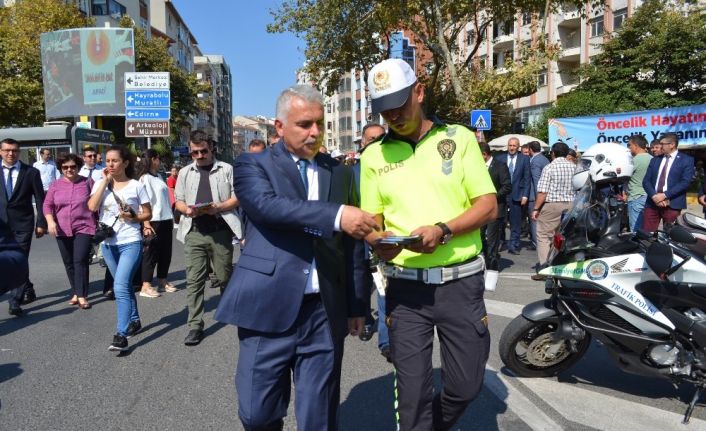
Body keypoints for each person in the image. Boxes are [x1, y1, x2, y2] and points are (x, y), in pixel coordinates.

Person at [215, 85, 375, 430]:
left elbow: (352, 247)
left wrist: (358, 305)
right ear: (279, 126)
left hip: (323, 311)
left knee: (319, 417)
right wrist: (336, 216)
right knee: (257, 415)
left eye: (319, 123)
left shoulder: (339, 172)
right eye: (304, 124)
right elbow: (268, 208)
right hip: (267, 305)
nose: (315, 132)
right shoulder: (251, 165)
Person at [360, 58, 496, 430]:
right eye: (384, 111)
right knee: (413, 393)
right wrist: (378, 241)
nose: (393, 116)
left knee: (466, 386)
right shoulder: (373, 156)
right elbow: (373, 222)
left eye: (399, 106)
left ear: (419, 92)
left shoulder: (459, 138)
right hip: (405, 290)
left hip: (461, 287)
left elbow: (488, 206)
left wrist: (443, 229)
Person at [174, 130, 242, 346]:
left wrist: (218, 207)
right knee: (194, 281)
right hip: (193, 232)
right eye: (195, 152)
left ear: (211, 148)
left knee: (224, 277)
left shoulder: (227, 169)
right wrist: (187, 211)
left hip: (220, 231)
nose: (200, 155)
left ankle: (230, 310)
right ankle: (195, 325)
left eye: (203, 151)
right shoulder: (185, 172)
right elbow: (179, 201)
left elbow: (238, 197)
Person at [88, 145, 151, 352]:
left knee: (120, 286)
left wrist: (133, 216)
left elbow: (147, 214)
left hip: (130, 241)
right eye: (107, 161)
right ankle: (134, 319)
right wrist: (105, 182)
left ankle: (121, 334)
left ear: (125, 163)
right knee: (122, 286)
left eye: (114, 161)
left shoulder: (136, 185)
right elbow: (92, 207)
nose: (110, 165)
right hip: (108, 244)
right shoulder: (101, 183)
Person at [43, 153, 96, 309]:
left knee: (80, 260)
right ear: (61, 168)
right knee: (69, 263)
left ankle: (81, 295)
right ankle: (76, 291)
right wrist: (50, 221)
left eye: (73, 166)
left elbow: (96, 201)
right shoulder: (55, 185)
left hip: (84, 226)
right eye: (65, 167)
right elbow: (47, 205)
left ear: (78, 167)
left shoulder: (87, 182)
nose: (69, 169)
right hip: (62, 228)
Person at [0, 138, 47, 316]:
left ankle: (14, 301)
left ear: (19, 152)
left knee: (18, 261)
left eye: (14, 150)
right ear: (0, 151)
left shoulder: (30, 172)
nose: (10, 153)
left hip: (22, 224)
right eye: (6, 150)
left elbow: (40, 199)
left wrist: (41, 223)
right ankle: (27, 286)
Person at [357, 122, 390, 360]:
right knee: (362, 287)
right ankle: (365, 319)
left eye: (381, 138)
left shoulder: (392, 168)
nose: (376, 142)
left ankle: (386, 340)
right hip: (358, 242)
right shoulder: (352, 171)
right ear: (363, 142)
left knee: (383, 289)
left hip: (383, 242)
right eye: (371, 139)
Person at [531, 142, 575, 278]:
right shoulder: (574, 167)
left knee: (543, 236)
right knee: (561, 237)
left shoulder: (550, 167)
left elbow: (543, 191)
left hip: (552, 205)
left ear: (553, 153)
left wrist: (536, 208)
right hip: (571, 205)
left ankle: (545, 268)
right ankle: (560, 266)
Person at [135, 149, 176, 297]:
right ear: (153, 159)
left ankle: (162, 281)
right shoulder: (144, 178)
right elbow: (143, 203)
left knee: (166, 252)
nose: (160, 162)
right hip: (153, 220)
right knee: (151, 253)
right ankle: (146, 285)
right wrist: (146, 224)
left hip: (165, 219)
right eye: (158, 158)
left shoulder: (158, 176)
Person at [642, 133, 694, 232]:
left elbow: (685, 182)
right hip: (652, 203)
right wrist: (654, 196)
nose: (660, 146)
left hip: (672, 204)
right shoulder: (655, 160)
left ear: (672, 145)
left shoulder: (686, 160)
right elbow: (646, 181)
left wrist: (664, 195)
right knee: (647, 235)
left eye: (662, 144)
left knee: (670, 236)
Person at [480, 142, 511, 291]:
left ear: (485, 154)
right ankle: (483, 265)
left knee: (492, 241)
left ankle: (491, 271)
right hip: (479, 210)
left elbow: (507, 186)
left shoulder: (500, 166)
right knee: (480, 239)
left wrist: (492, 198)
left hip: (496, 209)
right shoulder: (477, 167)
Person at [496, 136, 530, 255]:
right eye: (510, 145)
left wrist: (525, 195)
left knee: (515, 223)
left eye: (514, 145)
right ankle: (501, 241)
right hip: (502, 195)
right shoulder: (500, 158)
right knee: (500, 221)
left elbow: (527, 178)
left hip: (517, 195)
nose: (511, 148)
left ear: (518, 147)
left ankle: (513, 245)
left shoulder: (524, 159)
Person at [626, 135, 652, 232]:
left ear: (636, 145)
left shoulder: (633, 161)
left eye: (630, 145)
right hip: (649, 196)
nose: (629, 148)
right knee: (646, 228)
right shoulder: (652, 159)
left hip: (636, 196)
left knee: (635, 229)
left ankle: (637, 247)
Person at [527, 141, 549, 251]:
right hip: (545, 195)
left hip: (535, 197)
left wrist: (537, 200)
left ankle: (536, 243)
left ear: (531, 149)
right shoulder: (545, 159)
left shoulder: (535, 161)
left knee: (534, 220)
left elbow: (536, 181)